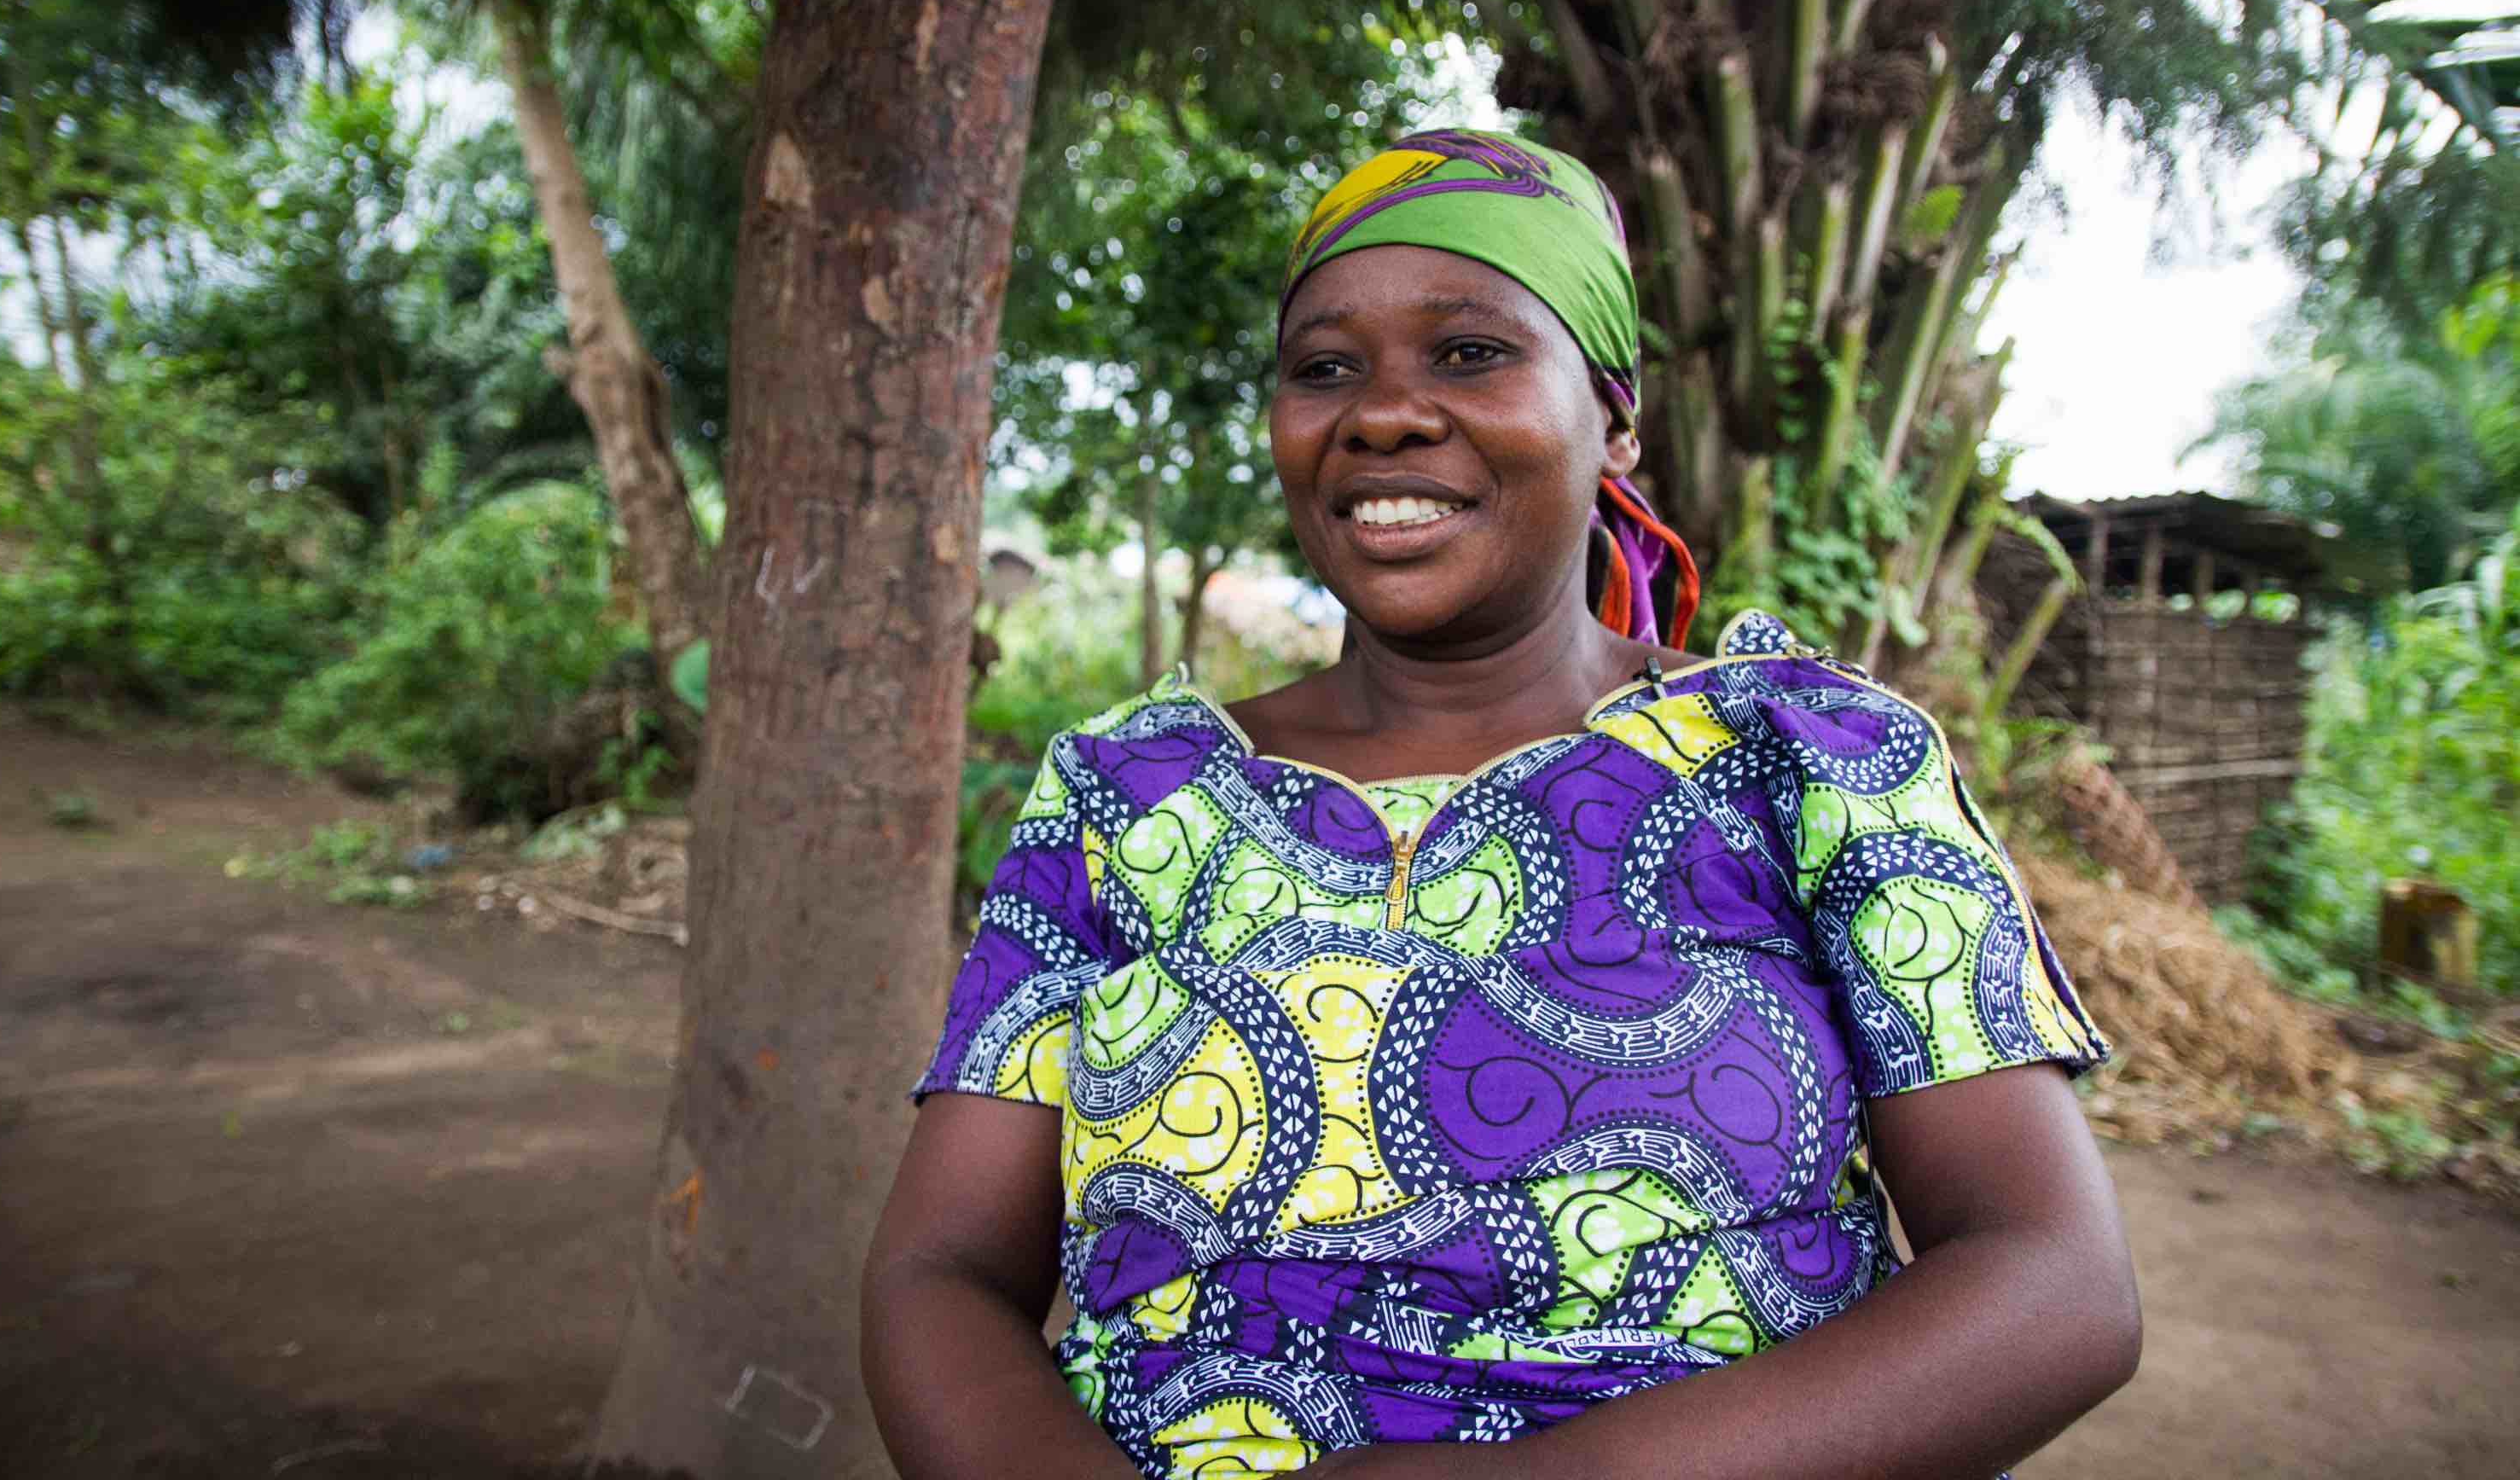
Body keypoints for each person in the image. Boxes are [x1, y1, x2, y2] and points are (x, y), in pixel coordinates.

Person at [864, 130, 2139, 1479]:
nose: (1383, 412)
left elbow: (2054, 1280)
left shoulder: (1810, 756)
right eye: (1324, 369)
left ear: (1616, 418)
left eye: (1469, 352)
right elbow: (938, 1274)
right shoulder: (1125, 797)